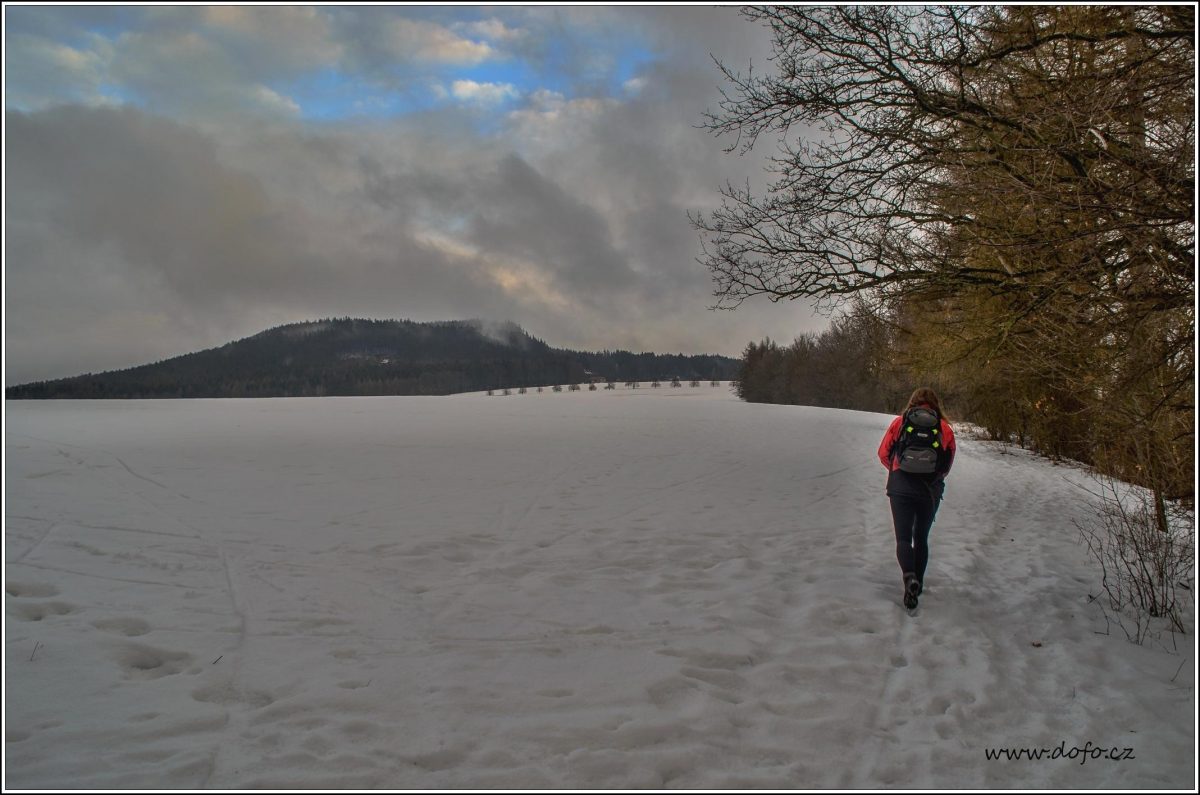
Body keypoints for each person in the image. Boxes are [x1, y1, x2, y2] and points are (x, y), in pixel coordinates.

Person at [877, 387, 956, 609]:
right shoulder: (944, 428)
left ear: (912, 402)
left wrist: (897, 470)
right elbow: (947, 464)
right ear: (935, 404)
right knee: (920, 538)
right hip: (929, 491)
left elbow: (883, 453)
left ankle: (908, 577)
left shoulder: (900, 423)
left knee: (903, 538)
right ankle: (918, 585)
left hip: (900, 487)